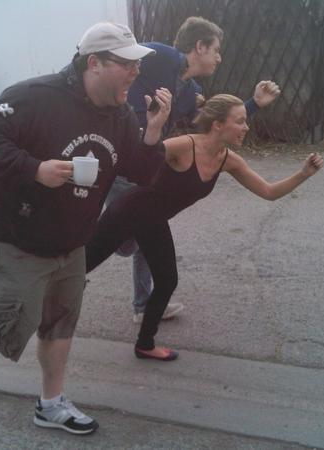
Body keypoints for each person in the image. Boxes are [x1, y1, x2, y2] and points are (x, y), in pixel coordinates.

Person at [0, 22, 173, 435]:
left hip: (71, 235)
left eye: (138, 64)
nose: (136, 72)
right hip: (14, 230)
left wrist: (153, 132)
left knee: (60, 320)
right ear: (94, 63)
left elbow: (139, 172)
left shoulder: (121, 115)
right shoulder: (35, 97)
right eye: (127, 64)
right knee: (7, 321)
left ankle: (50, 405)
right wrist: (34, 169)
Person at [86, 94, 324, 361]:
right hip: (127, 213)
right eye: (240, 121)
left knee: (166, 281)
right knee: (79, 266)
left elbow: (268, 192)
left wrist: (303, 174)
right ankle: (48, 312)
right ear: (217, 125)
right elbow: (139, 161)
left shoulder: (228, 160)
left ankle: (145, 344)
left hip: (152, 222)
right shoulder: (184, 146)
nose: (246, 127)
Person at [107, 16, 277, 324]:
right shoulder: (160, 56)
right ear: (199, 46)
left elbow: (214, 124)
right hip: (123, 162)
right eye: (216, 50)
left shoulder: (189, 90)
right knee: (124, 242)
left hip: (146, 164)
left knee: (147, 227)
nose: (219, 58)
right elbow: (118, 59)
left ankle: (143, 306)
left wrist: (254, 103)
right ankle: (72, 248)